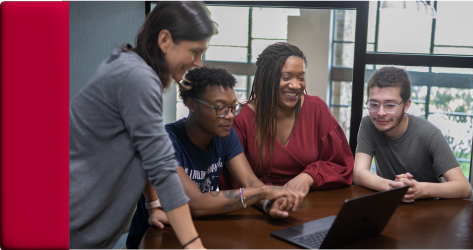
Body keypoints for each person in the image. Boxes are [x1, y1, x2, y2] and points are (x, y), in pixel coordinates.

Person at [69, 1, 215, 249]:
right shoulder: (138, 77)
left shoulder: (130, 66)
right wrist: (193, 245)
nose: (198, 62)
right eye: (194, 51)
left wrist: (154, 206)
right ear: (165, 40)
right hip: (66, 226)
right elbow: (162, 166)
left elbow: (144, 151)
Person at [126, 66, 305, 250]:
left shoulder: (224, 136)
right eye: (219, 108)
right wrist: (265, 192)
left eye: (233, 107)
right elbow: (196, 204)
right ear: (192, 104)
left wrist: (269, 205)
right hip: (155, 240)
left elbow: (251, 182)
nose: (229, 116)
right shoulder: (165, 142)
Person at [218, 42, 354, 196]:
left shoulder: (317, 109)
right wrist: (272, 194)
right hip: (259, 204)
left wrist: (309, 176)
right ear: (266, 78)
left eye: (301, 78)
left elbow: (341, 164)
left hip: (311, 200)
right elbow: (235, 182)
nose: (296, 86)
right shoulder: (241, 119)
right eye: (286, 77)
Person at [353, 66, 473, 203]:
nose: (380, 113)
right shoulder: (369, 124)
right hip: (395, 207)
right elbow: (359, 173)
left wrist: (420, 189)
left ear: (406, 105)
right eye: (374, 104)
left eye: (390, 105)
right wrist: (392, 187)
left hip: (432, 208)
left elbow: (465, 188)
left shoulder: (429, 133)